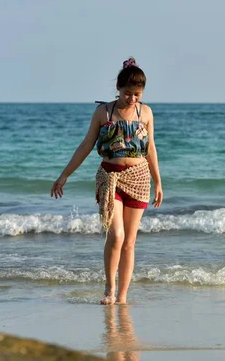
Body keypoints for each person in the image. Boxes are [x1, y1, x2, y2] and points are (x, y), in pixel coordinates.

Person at [50, 57, 163, 305]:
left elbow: (151, 148)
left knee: (130, 242)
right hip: (109, 178)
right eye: (127, 93)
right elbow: (85, 145)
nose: (132, 98)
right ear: (118, 89)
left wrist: (158, 182)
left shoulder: (146, 112)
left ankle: (122, 296)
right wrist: (64, 174)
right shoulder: (103, 112)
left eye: (137, 94)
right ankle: (109, 289)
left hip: (140, 178)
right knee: (116, 235)